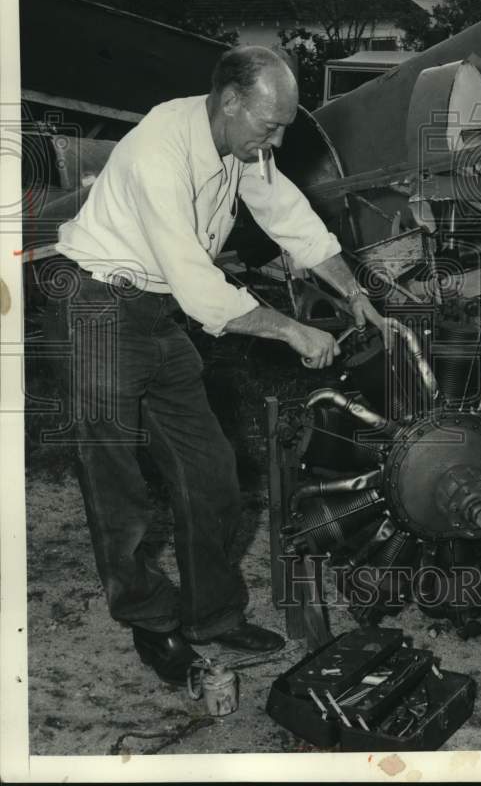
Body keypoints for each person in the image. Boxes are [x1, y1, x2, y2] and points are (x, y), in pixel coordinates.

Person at [54, 45, 384, 684]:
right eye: (271, 125)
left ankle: (212, 615)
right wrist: (292, 331)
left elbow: (288, 215)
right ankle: (150, 621)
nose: (278, 141)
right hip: (95, 307)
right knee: (117, 482)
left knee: (211, 471)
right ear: (231, 101)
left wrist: (353, 292)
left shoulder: (241, 143)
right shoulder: (161, 151)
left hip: (155, 311)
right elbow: (201, 290)